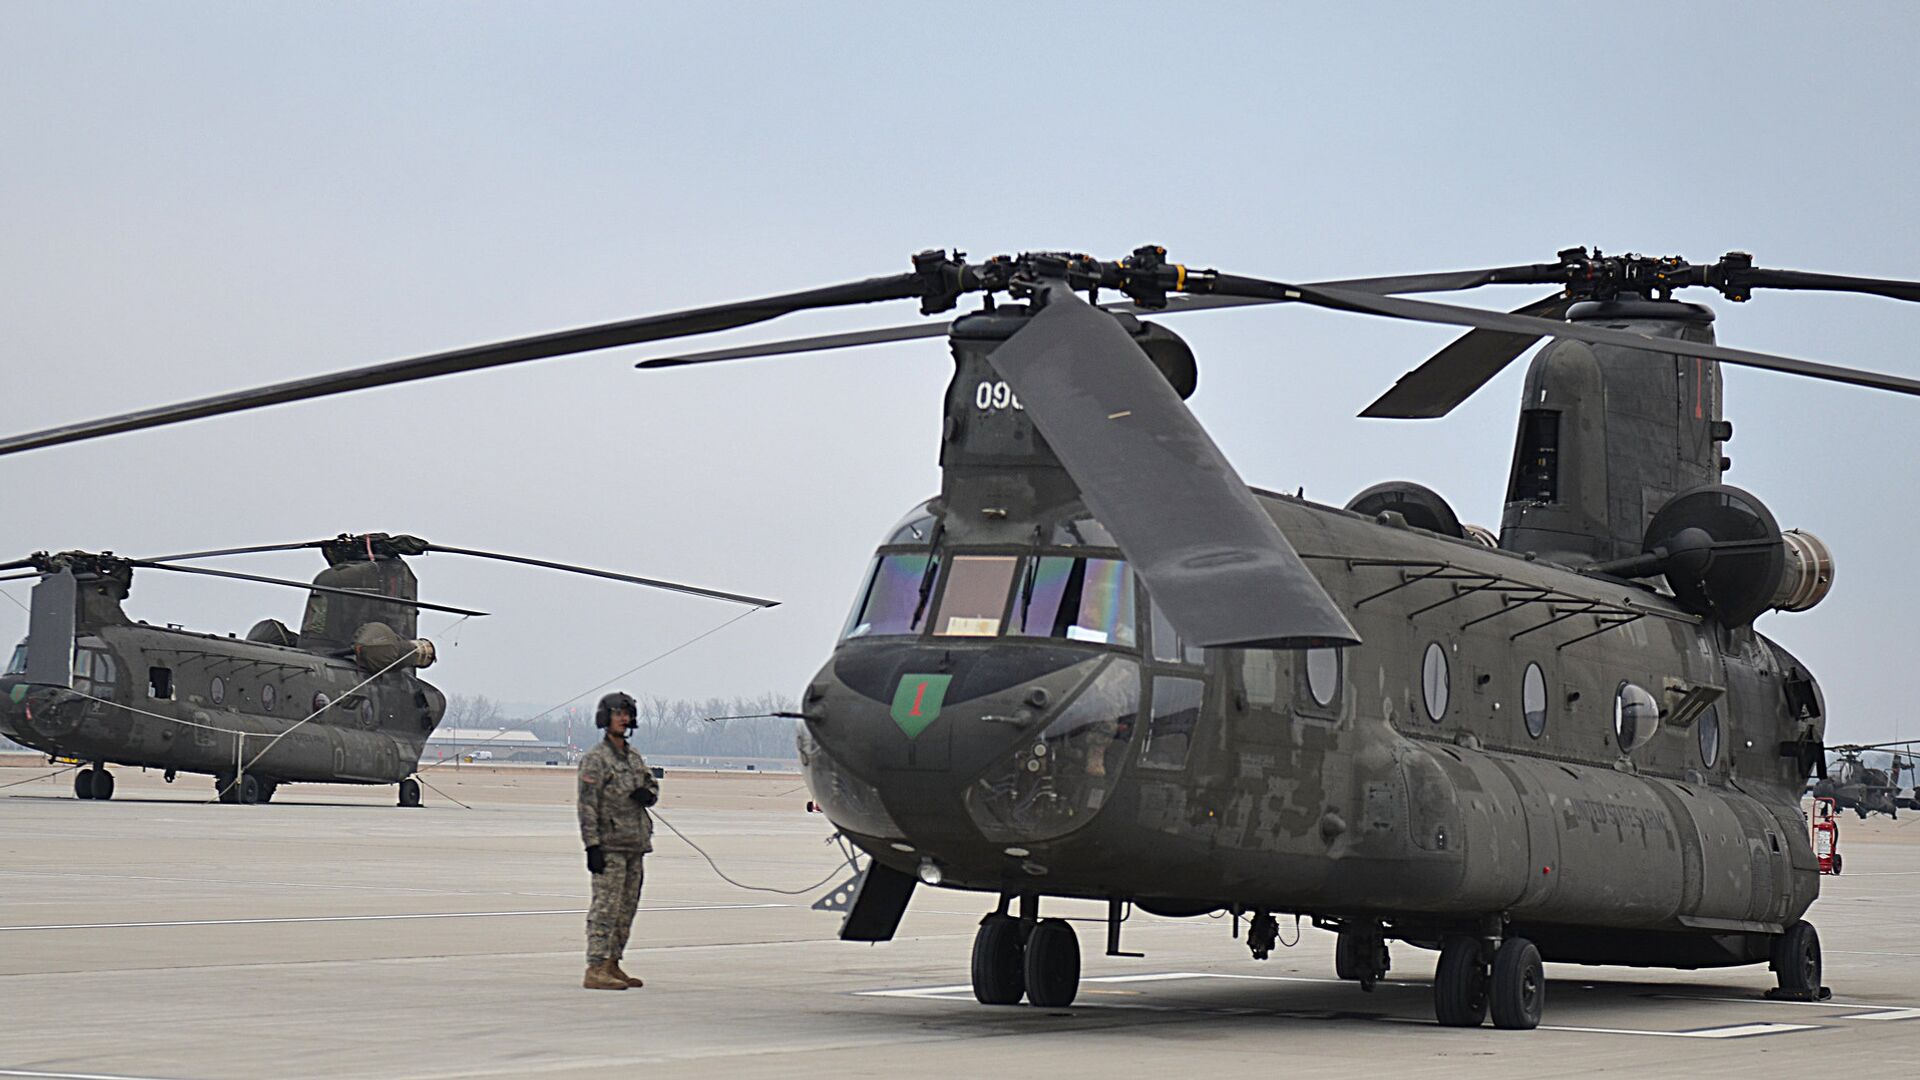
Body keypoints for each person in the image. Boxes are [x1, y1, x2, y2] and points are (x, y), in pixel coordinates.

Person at [577, 690, 660, 990]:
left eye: (627, 713)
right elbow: (587, 805)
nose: (623, 719)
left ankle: (613, 962)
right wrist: (592, 846)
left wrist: (648, 795)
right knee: (606, 908)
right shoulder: (596, 760)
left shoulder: (634, 756)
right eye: (617, 713)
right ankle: (595, 966)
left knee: (626, 908)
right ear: (606, 718)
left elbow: (651, 785)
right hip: (609, 846)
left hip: (634, 845)